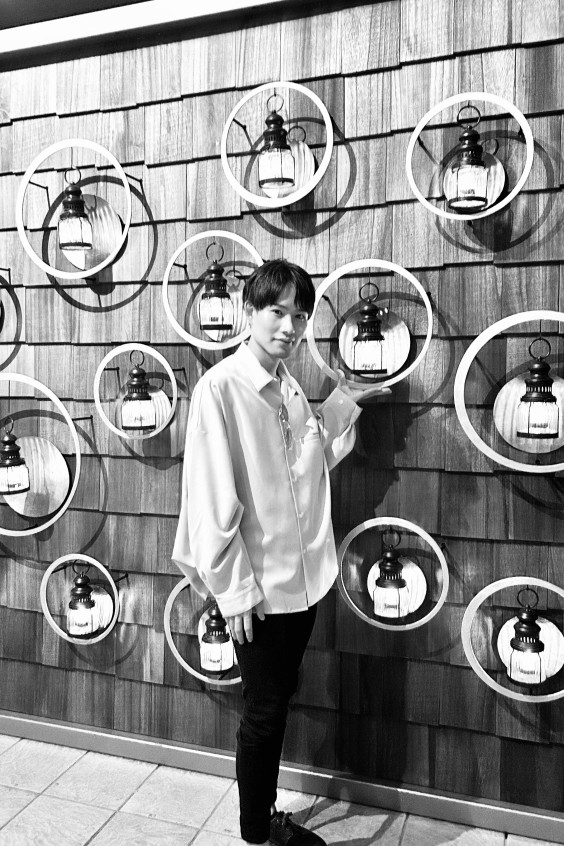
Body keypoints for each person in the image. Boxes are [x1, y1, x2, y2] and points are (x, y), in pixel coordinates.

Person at [173, 259, 387, 846]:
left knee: (276, 701)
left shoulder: (287, 384)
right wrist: (235, 589)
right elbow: (211, 500)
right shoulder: (222, 389)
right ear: (249, 312)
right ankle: (258, 830)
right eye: (276, 312)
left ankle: (263, 816)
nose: (289, 327)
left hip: (303, 579)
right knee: (264, 710)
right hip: (259, 588)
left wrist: (344, 399)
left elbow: (307, 462)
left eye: (299, 315)